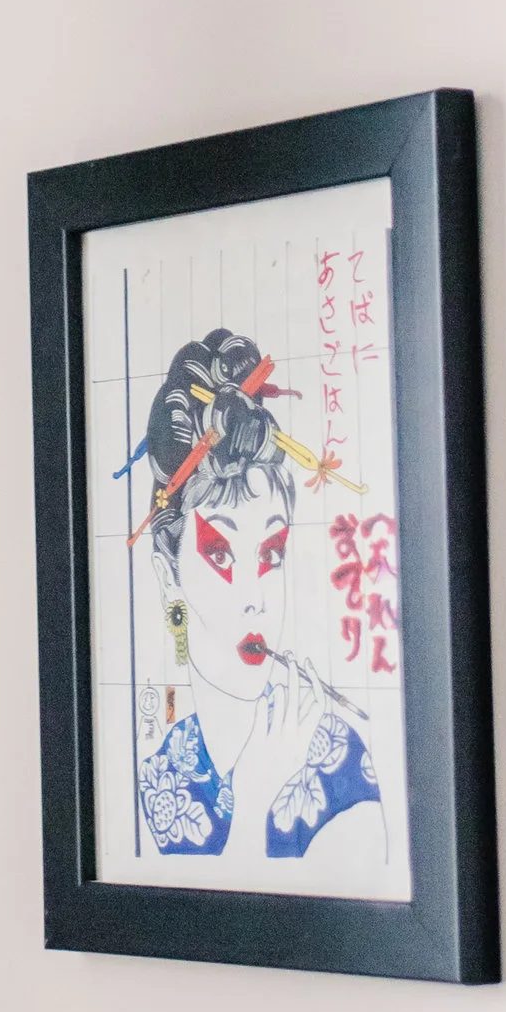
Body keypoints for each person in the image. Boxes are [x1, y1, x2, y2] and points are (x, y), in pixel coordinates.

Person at [134, 330, 383, 867]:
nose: (256, 601)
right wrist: (255, 794)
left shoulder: (342, 771)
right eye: (220, 554)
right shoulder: (153, 781)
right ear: (167, 576)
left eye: (270, 554)